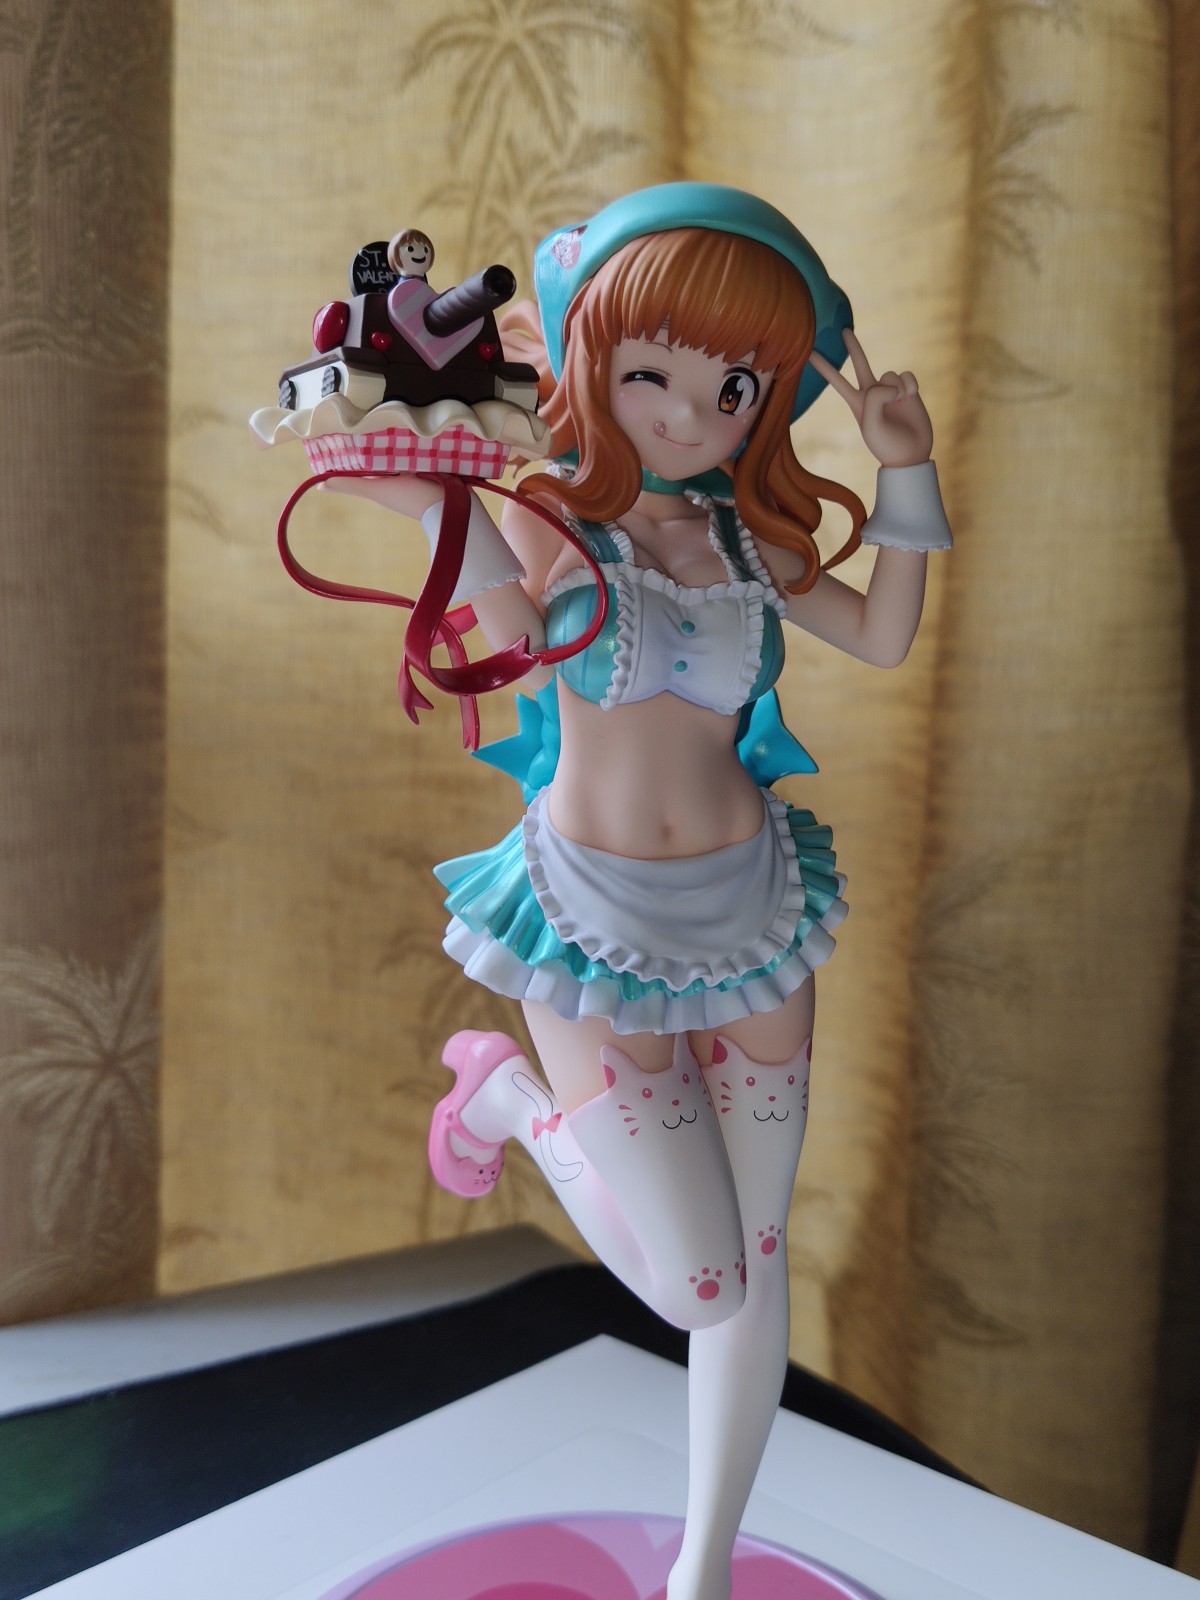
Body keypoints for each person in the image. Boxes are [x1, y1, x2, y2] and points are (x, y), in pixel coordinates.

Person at [332, 183, 951, 1600]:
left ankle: (702, 1569)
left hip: (756, 916)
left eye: (733, 386)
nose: (689, 413)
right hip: (589, 926)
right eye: (650, 372)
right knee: (697, 1282)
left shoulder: (751, 546)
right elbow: (475, 600)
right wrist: (415, 494)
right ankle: (506, 1102)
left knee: (758, 1258)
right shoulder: (550, 526)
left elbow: (884, 637)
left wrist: (905, 468)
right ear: (589, 362)